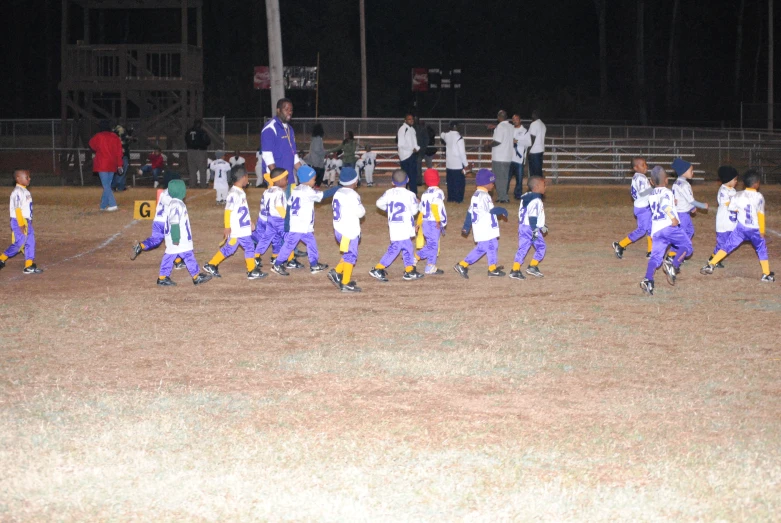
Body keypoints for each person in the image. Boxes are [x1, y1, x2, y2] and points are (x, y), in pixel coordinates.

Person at [701, 170, 775, 282]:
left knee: (728, 245)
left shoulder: (738, 195)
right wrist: (762, 230)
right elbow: (761, 214)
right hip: (754, 229)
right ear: (756, 184)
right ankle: (766, 274)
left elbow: (731, 208)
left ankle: (711, 264)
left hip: (741, 228)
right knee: (761, 249)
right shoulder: (759, 196)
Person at [270, 165, 338, 276]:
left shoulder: (296, 190)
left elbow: (288, 207)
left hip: (302, 226)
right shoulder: (307, 191)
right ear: (307, 179)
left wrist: (287, 224)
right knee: (289, 246)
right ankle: (277, 264)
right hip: (299, 226)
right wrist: (336, 188)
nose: (315, 181)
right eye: (313, 179)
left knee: (311, 243)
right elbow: (323, 195)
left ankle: (314, 264)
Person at [203, 168, 265, 280]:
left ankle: (211, 264)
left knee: (230, 249)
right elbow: (228, 210)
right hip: (238, 229)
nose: (248, 180)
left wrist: (249, 221)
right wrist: (227, 227)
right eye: (247, 177)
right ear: (243, 178)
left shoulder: (239, 192)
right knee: (249, 247)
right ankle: (251, 270)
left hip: (241, 227)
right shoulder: (234, 193)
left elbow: (241, 210)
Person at [640, 166, 693, 296]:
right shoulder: (668, 192)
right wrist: (673, 218)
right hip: (669, 227)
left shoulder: (651, 194)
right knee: (687, 247)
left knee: (655, 257)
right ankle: (673, 265)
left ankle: (648, 279)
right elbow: (664, 205)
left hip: (657, 230)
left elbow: (659, 204)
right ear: (666, 180)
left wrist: (671, 203)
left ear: (651, 182)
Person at [369, 169, 424, 282]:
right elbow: (414, 212)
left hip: (394, 225)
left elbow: (379, 203)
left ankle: (409, 270)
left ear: (393, 182)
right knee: (396, 249)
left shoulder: (389, 192)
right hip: (404, 226)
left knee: (407, 247)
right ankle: (378, 268)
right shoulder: (410, 194)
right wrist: (418, 205)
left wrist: (389, 210)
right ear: (408, 180)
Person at [154, 180, 212, 287]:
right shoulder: (176, 205)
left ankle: (164, 277)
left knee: (173, 256)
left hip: (177, 238)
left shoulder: (174, 203)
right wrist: (176, 237)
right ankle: (195, 276)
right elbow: (174, 222)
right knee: (186, 256)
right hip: (179, 238)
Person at [453, 169, 509, 278]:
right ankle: (462, 264)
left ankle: (492, 268)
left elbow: (470, 212)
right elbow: (491, 211)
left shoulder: (476, 195)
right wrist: (502, 210)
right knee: (484, 248)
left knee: (492, 245)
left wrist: (466, 226)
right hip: (485, 228)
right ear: (486, 183)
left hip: (483, 227)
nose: (493, 185)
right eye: (492, 182)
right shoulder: (484, 196)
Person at [328, 167, 365, 293]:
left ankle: (337, 272)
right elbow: (360, 213)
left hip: (339, 229)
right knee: (351, 255)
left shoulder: (338, 192)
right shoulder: (353, 194)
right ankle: (345, 283)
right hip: (349, 230)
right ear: (355, 181)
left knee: (348, 253)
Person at [0, 169, 43, 274]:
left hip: (26, 221)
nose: (29, 179)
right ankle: (2, 257)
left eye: (29, 177)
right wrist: (21, 224)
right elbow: (17, 209)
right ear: (18, 179)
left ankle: (28, 265)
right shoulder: (17, 192)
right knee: (20, 243)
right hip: (19, 220)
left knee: (30, 241)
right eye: (27, 177)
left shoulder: (25, 191)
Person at [131, 187, 183, 270]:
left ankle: (141, 246)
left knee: (156, 239)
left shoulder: (163, 192)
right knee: (175, 240)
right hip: (167, 221)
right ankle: (177, 261)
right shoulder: (175, 196)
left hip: (157, 220)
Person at [667, 158, 708, 262]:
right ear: (683, 172)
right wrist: (702, 205)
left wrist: (691, 207)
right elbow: (691, 200)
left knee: (690, 231)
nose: (692, 173)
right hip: (682, 215)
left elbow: (682, 199)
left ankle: (680, 251)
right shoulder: (684, 185)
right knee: (682, 235)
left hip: (682, 212)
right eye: (691, 170)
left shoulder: (677, 183)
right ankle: (672, 255)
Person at [612, 157, 654, 259]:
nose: (646, 167)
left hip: (644, 207)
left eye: (645, 164)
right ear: (635, 167)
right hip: (643, 208)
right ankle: (621, 244)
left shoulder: (639, 177)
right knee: (642, 230)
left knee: (651, 228)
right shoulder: (640, 178)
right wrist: (653, 187)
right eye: (642, 165)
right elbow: (643, 193)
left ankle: (651, 251)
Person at [511, 176, 548, 280]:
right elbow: (532, 216)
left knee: (522, 248)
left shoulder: (526, 198)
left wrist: (542, 225)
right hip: (531, 228)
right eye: (543, 185)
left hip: (523, 226)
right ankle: (532, 266)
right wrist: (536, 229)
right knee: (541, 247)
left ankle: (515, 270)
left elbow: (527, 213)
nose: (545, 187)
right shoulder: (536, 200)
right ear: (536, 187)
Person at [253, 167, 289, 268]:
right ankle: (280, 258)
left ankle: (256, 256)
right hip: (277, 219)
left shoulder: (267, 191)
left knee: (267, 238)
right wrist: (287, 218)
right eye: (286, 178)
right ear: (280, 180)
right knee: (286, 239)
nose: (287, 180)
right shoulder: (280, 192)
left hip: (266, 218)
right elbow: (278, 206)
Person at [260, 98, 301, 185]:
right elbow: (267, 155)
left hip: (289, 178)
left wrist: (303, 172)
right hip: (276, 179)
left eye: (291, 110)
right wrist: (277, 177)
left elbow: (293, 154)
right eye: (286, 109)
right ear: (278, 110)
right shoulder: (270, 128)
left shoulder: (290, 129)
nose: (289, 112)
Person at [415, 168, 447, 275]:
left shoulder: (425, 194)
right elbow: (434, 206)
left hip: (425, 222)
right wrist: (438, 220)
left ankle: (430, 266)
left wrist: (418, 223)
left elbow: (422, 211)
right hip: (433, 222)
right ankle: (415, 258)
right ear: (438, 179)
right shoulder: (438, 192)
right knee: (433, 245)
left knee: (432, 244)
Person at [708, 166, 740, 268]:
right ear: (728, 179)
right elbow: (729, 204)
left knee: (728, 242)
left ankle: (715, 258)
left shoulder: (733, 191)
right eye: (735, 179)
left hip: (731, 223)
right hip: (723, 223)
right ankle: (712, 259)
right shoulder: (723, 191)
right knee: (722, 243)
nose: (736, 181)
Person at [89, 119, 123, 212]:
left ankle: (113, 204)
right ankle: (103, 205)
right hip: (112, 164)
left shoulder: (98, 136)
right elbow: (119, 152)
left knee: (106, 185)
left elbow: (92, 145)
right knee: (107, 185)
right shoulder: (115, 137)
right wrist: (119, 165)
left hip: (102, 164)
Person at [488, 110, 514, 203]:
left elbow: (497, 141)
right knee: (504, 178)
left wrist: (488, 145)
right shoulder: (511, 126)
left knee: (498, 178)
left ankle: (502, 197)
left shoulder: (500, 127)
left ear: (499, 117)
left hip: (499, 157)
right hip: (508, 156)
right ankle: (503, 196)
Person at [440, 121, 469, 203]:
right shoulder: (459, 138)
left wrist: (447, 130)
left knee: (450, 182)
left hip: (449, 164)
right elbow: (462, 153)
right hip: (458, 164)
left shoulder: (447, 135)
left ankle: (451, 198)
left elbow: (442, 134)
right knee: (459, 183)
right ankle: (458, 198)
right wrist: (466, 164)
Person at [510, 114, 532, 200]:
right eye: (513, 119)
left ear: (520, 120)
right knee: (507, 178)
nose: (515, 120)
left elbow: (529, 143)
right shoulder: (510, 130)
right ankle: (504, 194)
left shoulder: (525, 131)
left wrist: (517, 141)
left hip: (519, 159)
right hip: (509, 158)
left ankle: (518, 194)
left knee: (519, 179)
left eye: (516, 119)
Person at [397, 113, 420, 196]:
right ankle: (405, 195)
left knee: (413, 177)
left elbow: (414, 142)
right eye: (409, 119)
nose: (411, 120)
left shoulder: (412, 129)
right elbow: (401, 144)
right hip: (406, 157)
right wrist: (411, 149)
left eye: (412, 119)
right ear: (405, 120)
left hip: (412, 155)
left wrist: (417, 148)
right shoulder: (403, 129)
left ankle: (413, 195)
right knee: (406, 177)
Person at [185, 119, 211, 188]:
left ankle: (192, 185)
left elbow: (186, 140)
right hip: (200, 152)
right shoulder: (202, 131)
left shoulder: (188, 131)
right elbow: (208, 141)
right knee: (202, 170)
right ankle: (203, 186)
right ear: (200, 125)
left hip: (190, 152)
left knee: (192, 171)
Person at [112, 124, 133, 192]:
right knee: (121, 171)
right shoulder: (117, 138)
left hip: (122, 155)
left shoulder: (117, 137)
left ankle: (121, 186)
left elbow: (127, 141)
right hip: (121, 156)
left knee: (120, 171)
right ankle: (117, 185)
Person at [528, 110, 547, 178]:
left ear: (534, 115)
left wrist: (528, 150)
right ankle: (539, 186)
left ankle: (534, 187)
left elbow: (532, 138)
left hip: (534, 151)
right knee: (538, 171)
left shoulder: (534, 124)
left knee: (533, 172)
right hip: (541, 150)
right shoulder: (543, 124)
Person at [307, 123, 327, 187]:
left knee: (314, 181)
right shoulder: (317, 139)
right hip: (317, 163)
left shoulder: (314, 139)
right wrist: (326, 152)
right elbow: (318, 150)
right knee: (317, 181)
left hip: (314, 163)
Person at [415, 118, 429, 185]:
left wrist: (421, 149)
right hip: (418, 151)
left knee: (416, 167)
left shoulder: (421, 129)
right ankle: (418, 181)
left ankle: (417, 181)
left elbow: (426, 140)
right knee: (417, 167)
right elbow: (426, 140)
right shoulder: (423, 129)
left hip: (417, 151)